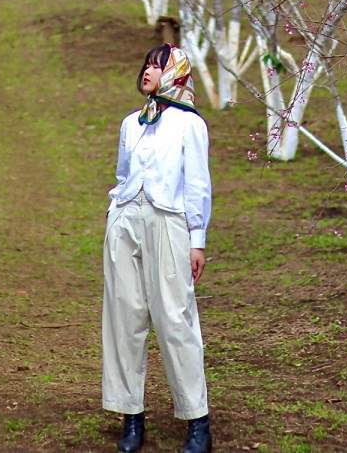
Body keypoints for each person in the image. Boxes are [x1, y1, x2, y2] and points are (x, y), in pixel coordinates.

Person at [102, 43, 213, 453]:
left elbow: (198, 185)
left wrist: (197, 240)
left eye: (158, 64)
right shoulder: (132, 123)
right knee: (123, 315)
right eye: (147, 62)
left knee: (174, 319)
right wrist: (117, 211)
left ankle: (197, 422)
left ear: (175, 73)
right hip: (127, 220)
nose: (148, 69)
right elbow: (121, 173)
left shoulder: (189, 125)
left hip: (170, 224)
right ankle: (131, 416)